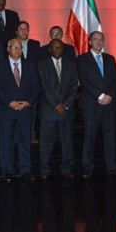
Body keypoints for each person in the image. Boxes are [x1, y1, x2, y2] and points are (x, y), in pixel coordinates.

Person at [77, 31, 116, 178]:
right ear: (90, 42)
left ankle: (111, 166)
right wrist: (100, 95)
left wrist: (108, 95)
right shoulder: (82, 59)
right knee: (90, 136)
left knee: (110, 135)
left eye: (101, 39)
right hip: (91, 104)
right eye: (95, 39)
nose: (98, 42)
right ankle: (87, 167)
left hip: (109, 103)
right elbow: (84, 80)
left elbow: (115, 79)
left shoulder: (110, 58)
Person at [0, 38, 40, 183]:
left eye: (19, 47)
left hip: (25, 110)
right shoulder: (0, 66)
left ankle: (25, 169)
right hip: (6, 110)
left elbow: (36, 86)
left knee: (25, 141)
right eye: (14, 47)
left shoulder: (30, 65)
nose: (17, 50)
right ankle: (7, 170)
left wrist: (28, 102)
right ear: (8, 48)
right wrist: (10, 102)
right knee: (6, 141)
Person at [37, 39, 78, 181]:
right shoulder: (42, 65)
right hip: (49, 110)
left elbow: (74, 88)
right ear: (49, 49)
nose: (57, 50)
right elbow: (44, 87)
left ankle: (66, 168)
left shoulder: (71, 65)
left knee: (67, 143)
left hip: (66, 111)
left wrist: (65, 104)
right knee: (46, 143)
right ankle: (44, 169)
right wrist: (56, 104)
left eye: (60, 47)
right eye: (54, 48)